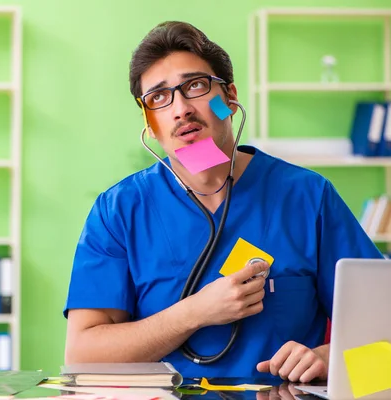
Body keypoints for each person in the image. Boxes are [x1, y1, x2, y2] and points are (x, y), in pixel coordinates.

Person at [63, 21, 383, 382]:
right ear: (150, 124)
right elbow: (82, 358)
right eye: (158, 98)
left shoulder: (308, 197)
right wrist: (194, 313)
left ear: (230, 98)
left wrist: (329, 361)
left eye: (195, 86)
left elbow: (384, 350)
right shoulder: (119, 211)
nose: (180, 108)